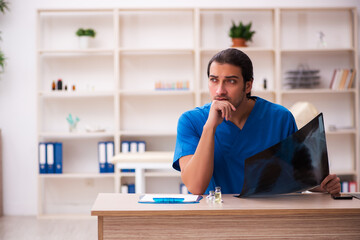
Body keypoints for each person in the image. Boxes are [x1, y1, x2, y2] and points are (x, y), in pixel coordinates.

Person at [172, 48, 340, 195]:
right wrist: (209, 127)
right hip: (216, 217)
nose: (220, 90)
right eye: (214, 80)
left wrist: (322, 185)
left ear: (248, 86)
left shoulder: (280, 118)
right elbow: (196, 187)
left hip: (268, 216)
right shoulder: (191, 121)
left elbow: (299, 176)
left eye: (231, 81)